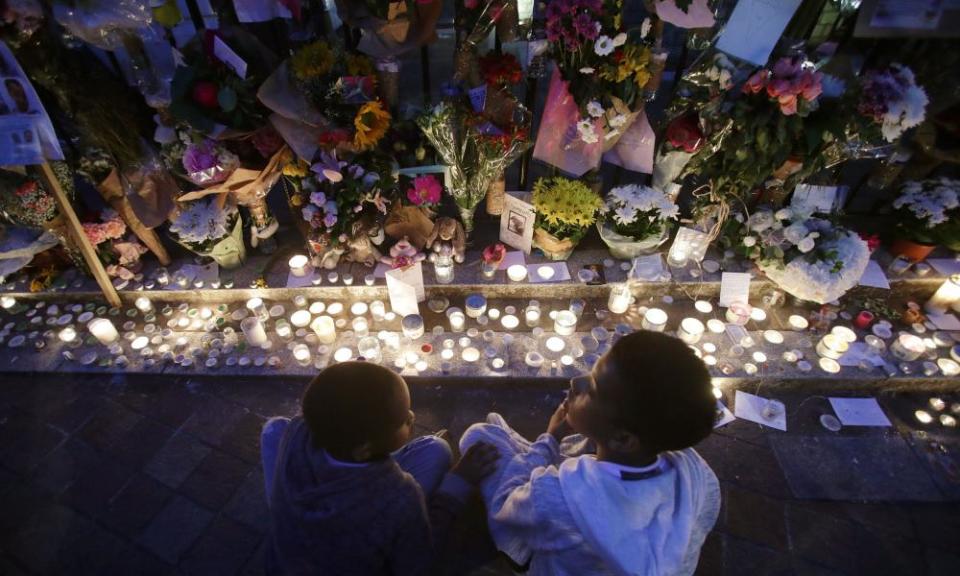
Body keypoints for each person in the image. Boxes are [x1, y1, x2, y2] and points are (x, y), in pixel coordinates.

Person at [460, 331, 720, 576]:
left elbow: (505, 507)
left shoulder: (552, 495)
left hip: (548, 560)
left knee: (480, 436)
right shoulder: (700, 476)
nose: (575, 383)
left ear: (622, 439)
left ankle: (519, 560)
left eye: (592, 389)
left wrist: (550, 439)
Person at [262, 361, 498, 576]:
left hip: (288, 559)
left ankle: (287, 509)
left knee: (275, 428)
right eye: (402, 421)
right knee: (437, 450)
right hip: (361, 547)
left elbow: (343, 403)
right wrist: (459, 483)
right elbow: (418, 563)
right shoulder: (397, 496)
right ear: (364, 450)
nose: (412, 416)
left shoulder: (298, 430)